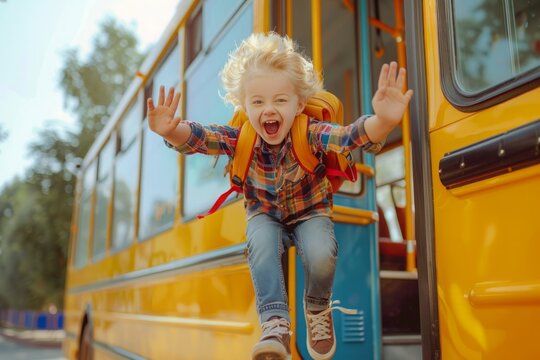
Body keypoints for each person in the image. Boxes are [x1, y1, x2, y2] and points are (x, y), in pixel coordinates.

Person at [147, 32, 412, 360]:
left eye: (280, 100)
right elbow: (204, 138)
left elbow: (347, 138)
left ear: (299, 104)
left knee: (321, 253)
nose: (268, 109)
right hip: (264, 213)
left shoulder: (309, 132)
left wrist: (382, 122)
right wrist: (172, 130)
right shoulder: (241, 138)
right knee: (259, 248)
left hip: (310, 210)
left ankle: (317, 308)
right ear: (245, 105)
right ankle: (275, 324)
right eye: (257, 102)